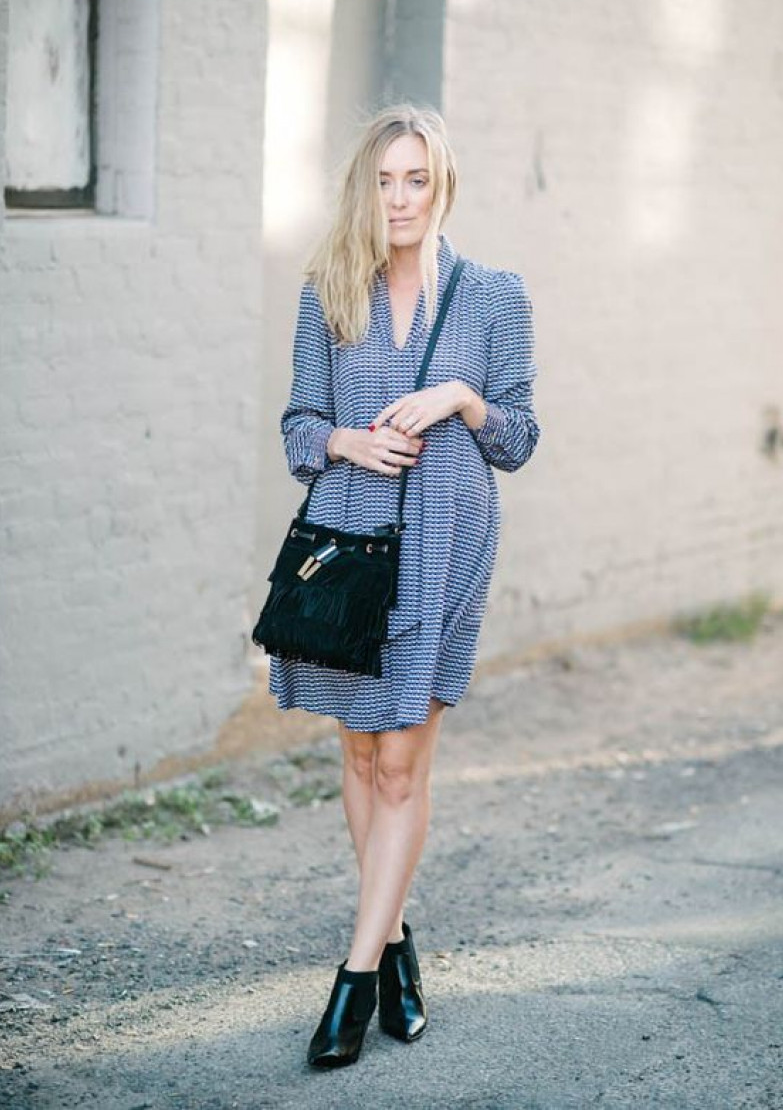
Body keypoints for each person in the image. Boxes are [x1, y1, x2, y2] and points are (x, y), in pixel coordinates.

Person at [266, 103, 540, 1067]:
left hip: (446, 544)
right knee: (359, 758)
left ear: (443, 185)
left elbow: (519, 436)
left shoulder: (495, 296)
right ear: (364, 189)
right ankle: (393, 944)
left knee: (402, 762)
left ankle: (350, 983)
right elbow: (300, 426)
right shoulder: (329, 289)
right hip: (350, 549)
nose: (399, 198)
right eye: (384, 180)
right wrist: (349, 438)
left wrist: (462, 399)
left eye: (416, 178)